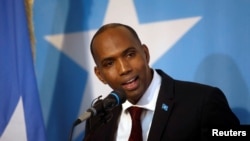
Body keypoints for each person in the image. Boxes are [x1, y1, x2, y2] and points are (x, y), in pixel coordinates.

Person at [83, 23, 240, 141]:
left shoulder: (203, 102)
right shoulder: (97, 118)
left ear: (145, 53)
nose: (124, 69)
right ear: (100, 75)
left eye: (130, 55)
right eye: (109, 63)